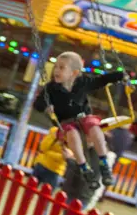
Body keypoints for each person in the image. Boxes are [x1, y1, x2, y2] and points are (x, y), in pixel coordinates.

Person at [34, 51, 125, 186]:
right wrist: (46, 107)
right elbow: (38, 104)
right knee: (71, 133)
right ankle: (83, 166)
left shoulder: (83, 82)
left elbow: (101, 80)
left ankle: (103, 162)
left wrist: (121, 75)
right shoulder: (51, 88)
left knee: (93, 126)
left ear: (74, 73)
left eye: (62, 68)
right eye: (56, 67)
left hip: (84, 118)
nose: (56, 71)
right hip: (66, 123)